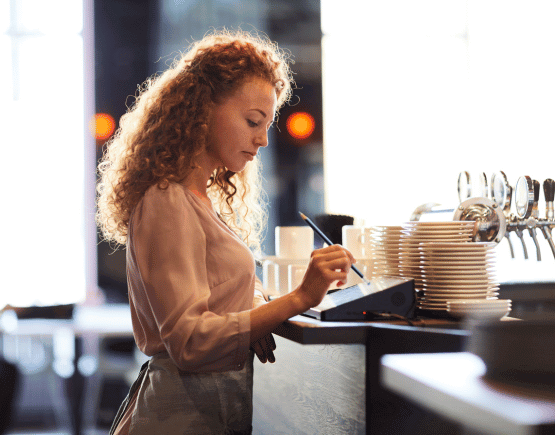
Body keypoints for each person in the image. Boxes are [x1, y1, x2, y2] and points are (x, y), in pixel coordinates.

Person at [96, 29, 355, 435]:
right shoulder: (167, 200)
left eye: (266, 124)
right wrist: (301, 297)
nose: (263, 139)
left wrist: (254, 318)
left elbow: (219, 294)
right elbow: (189, 340)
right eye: (253, 121)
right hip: (177, 419)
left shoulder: (196, 200)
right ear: (201, 110)